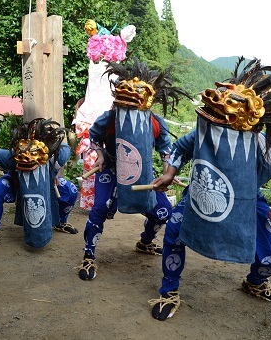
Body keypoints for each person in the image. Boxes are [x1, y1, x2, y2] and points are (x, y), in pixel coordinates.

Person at [148, 58, 271, 320]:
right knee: (175, 232)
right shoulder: (205, 129)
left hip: (248, 201)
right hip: (198, 195)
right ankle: (169, 290)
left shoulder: (266, 143)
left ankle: (255, 282)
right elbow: (181, 148)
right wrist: (169, 173)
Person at [78, 59, 191, 281]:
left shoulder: (156, 122)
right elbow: (94, 137)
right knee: (100, 207)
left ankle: (145, 241)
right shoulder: (109, 118)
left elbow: (165, 150)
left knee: (162, 213)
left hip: (141, 174)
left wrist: (168, 173)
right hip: (110, 167)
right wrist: (99, 155)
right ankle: (89, 254)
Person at [0, 159, 79, 250]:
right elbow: (0, 156)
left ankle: (61, 222)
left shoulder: (49, 143)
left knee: (71, 190)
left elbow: (62, 152)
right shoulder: (19, 143)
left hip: (46, 177)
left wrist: (54, 172)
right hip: (17, 178)